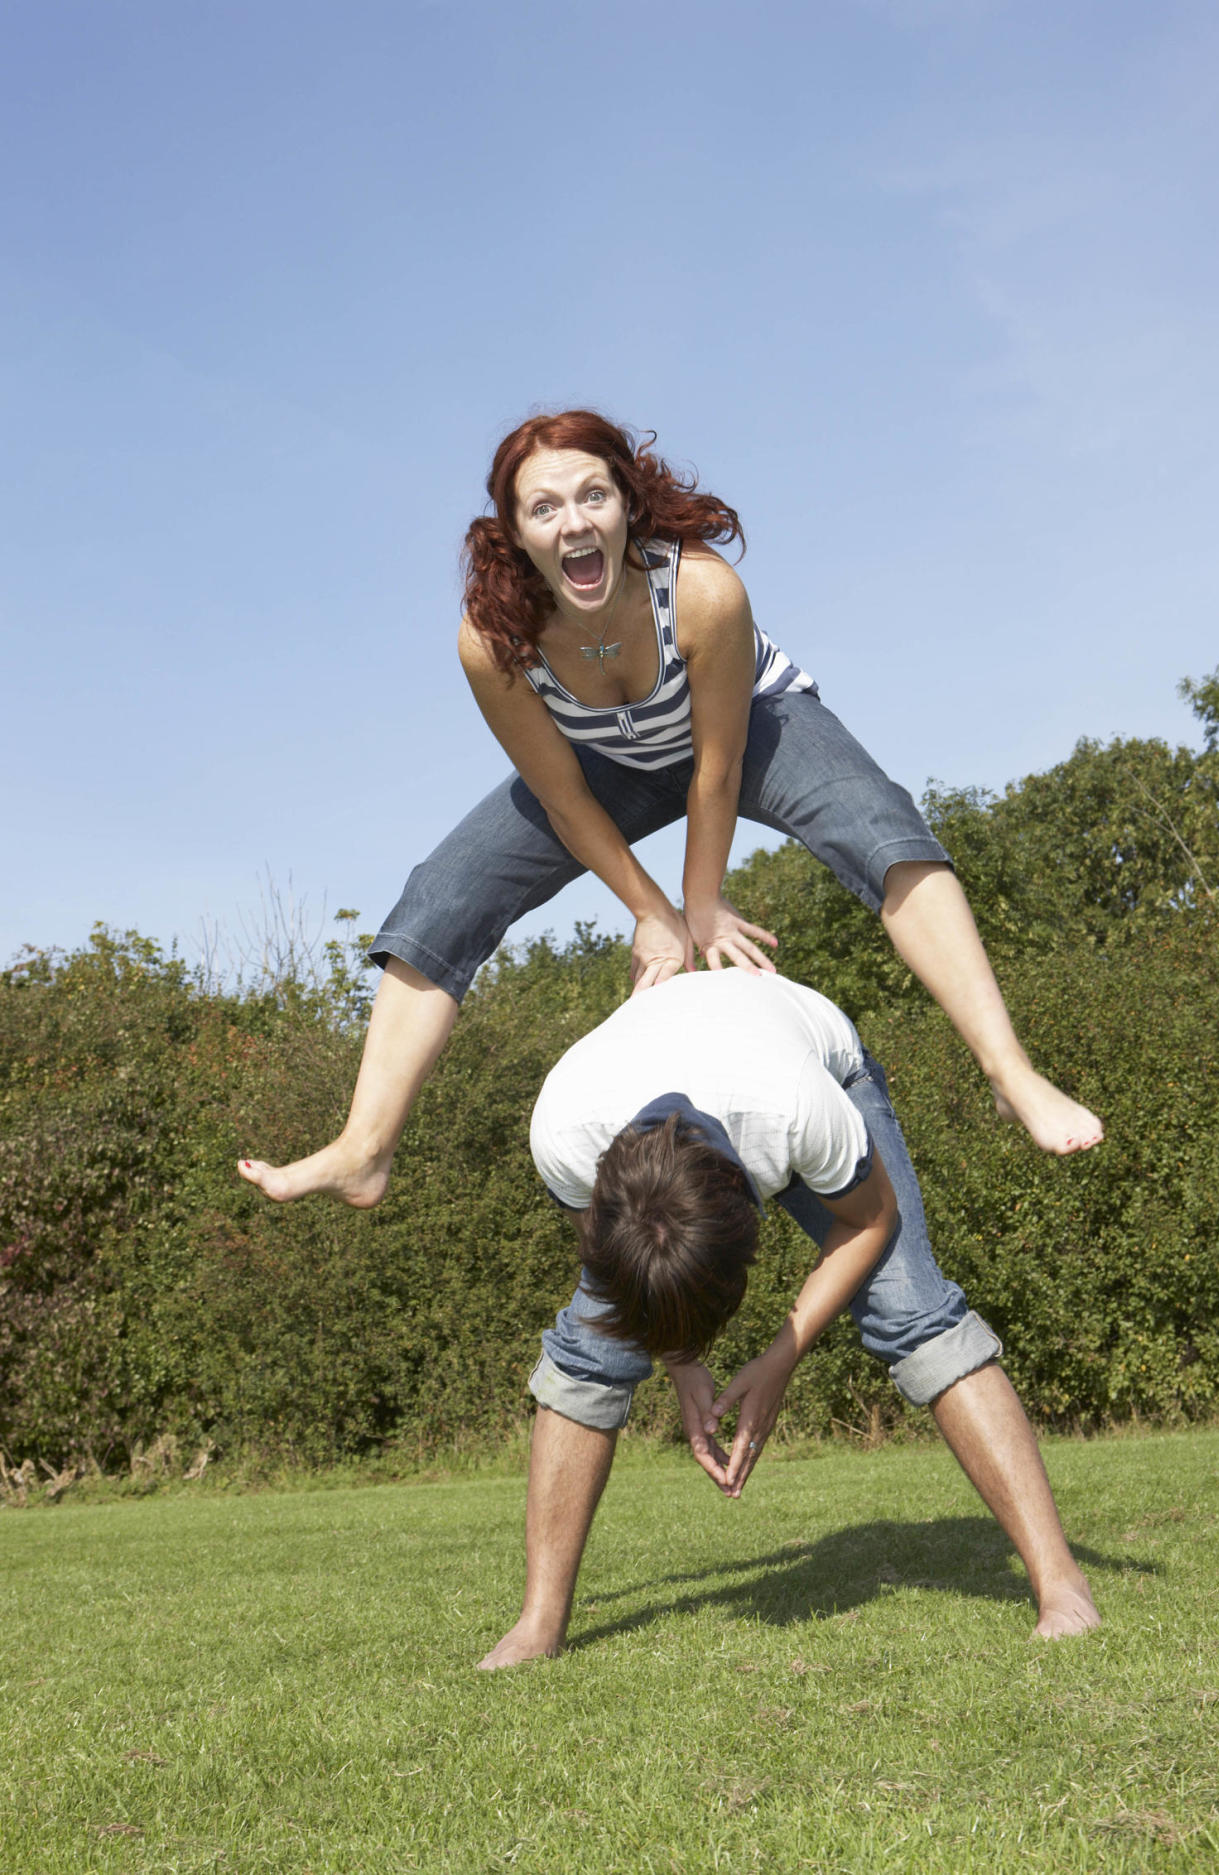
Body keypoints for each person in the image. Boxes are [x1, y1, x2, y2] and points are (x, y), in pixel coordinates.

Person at [238, 410, 1102, 1206]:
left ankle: (1009, 1070)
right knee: (444, 891)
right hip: (602, 763)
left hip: (747, 727)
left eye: (593, 496)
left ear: (625, 503)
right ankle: (365, 1145)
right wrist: (649, 914)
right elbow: (562, 795)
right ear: (514, 533)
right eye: (544, 508)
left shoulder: (701, 592)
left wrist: (700, 901)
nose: (573, 522)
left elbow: (716, 768)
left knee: (881, 826)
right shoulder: (493, 638)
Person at [477, 969, 1100, 1670]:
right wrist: (680, 1359)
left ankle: (1061, 1584)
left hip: (821, 1062)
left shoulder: (798, 1109)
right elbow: (628, 1273)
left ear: (751, 1215)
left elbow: (869, 1217)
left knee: (911, 1304)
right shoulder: (563, 1132)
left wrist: (780, 1357)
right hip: (641, 1106)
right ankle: (538, 1623)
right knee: (593, 1340)